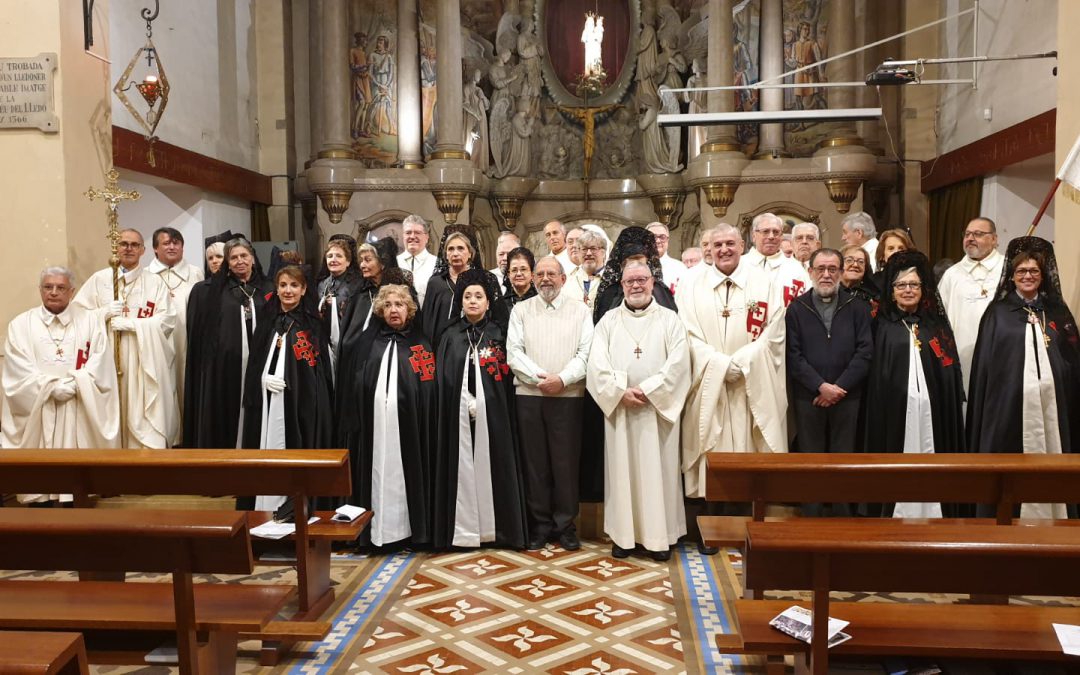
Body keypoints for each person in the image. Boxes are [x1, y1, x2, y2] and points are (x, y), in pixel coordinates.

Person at [967, 237, 1080, 518]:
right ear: (1012, 277)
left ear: (1042, 276)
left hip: (1052, 407)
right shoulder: (998, 314)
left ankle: (1057, 511)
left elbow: (1072, 359)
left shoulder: (1057, 312)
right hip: (1009, 410)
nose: (1027, 277)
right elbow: (987, 369)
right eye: (1021, 272)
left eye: (1033, 272)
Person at [587, 261, 691, 560]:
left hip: (657, 413)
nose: (636, 285)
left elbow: (680, 364)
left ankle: (660, 538)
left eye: (641, 280)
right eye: (630, 280)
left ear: (652, 282)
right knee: (623, 474)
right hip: (621, 412)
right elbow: (597, 364)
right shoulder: (608, 321)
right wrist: (620, 392)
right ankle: (624, 538)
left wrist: (649, 391)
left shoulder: (670, 320)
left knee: (659, 474)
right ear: (621, 285)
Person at [678, 224, 788, 501]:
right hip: (707, 382)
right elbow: (685, 334)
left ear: (742, 245)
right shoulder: (690, 283)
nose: (724, 250)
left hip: (749, 381)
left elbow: (774, 332)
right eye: (717, 245)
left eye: (730, 243)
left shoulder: (764, 282)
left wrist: (743, 361)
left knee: (747, 445)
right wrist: (718, 364)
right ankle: (710, 514)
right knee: (710, 445)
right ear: (709, 249)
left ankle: (746, 514)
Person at [2, 267, 119, 505]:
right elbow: (17, 368)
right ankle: (39, 502)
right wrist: (49, 387)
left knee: (76, 482)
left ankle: (75, 502)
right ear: (40, 290)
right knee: (39, 479)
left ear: (72, 291)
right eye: (48, 287)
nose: (54, 292)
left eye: (61, 288)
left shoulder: (89, 321)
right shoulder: (21, 324)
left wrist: (78, 383)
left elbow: (100, 360)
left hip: (78, 403)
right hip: (40, 406)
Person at [863, 251, 965, 518]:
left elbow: (949, 373)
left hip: (933, 416)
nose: (907, 290)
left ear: (924, 289)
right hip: (893, 414)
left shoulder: (936, 327)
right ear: (891, 290)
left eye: (914, 285)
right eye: (901, 285)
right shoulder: (881, 327)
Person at [433, 269, 528, 549]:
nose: (473, 301)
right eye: (467, 296)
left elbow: (508, 375)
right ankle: (462, 531)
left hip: (496, 416)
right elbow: (444, 377)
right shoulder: (449, 335)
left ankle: (496, 530)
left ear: (489, 301)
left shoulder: (500, 332)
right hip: (457, 415)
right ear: (460, 301)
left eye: (479, 296)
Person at [507, 256, 593, 551]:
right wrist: (541, 378)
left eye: (551, 274)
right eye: (540, 274)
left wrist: (563, 379)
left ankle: (565, 526)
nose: (545, 279)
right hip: (529, 397)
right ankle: (540, 525)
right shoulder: (520, 310)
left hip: (568, 397)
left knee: (565, 464)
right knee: (535, 465)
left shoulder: (580, 311)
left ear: (563, 278)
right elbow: (514, 352)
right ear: (532, 279)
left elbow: (586, 353)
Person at [786, 249, 873, 514]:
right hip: (808, 396)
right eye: (820, 269)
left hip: (847, 396)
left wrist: (839, 388)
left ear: (841, 272)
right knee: (811, 461)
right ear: (810, 271)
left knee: (842, 459)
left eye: (832, 269)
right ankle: (811, 514)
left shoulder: (857, 306)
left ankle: (842, 515)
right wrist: (820, 386)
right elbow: (793, 355)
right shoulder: (797, 308)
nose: (826, 275)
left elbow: (865, 352)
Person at [74, 228, 178, 448]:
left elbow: (168, 319)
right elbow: (77, 318)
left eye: (134, 245)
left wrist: (133, 325)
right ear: (115, 248)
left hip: (142, 359)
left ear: (143, 250)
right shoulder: (99, 280)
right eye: (123, 244)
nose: (128, 248)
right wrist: (103, 313)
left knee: (140, 411)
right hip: (107, 358)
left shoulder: (155, 282)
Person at [242, 265, 333, 511]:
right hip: (267, 404)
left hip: (301, 409)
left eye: (294, 285)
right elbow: (255, 365)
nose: (288, 291)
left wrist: (300, 392)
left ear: (304, 290)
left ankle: (297, 509)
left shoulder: (312, 326)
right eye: (283, 285)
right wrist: (262, 380)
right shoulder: (268, 322)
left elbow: (317, 374)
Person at [355, 283, 437, 548]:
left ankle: (408, 531)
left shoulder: (420, 345)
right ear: (380, 309)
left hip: (408, 427)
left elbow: (427, 392)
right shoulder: (369, 342)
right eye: (388, 305)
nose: (393, 310)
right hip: (375, 427)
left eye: (399, 305)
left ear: (409, 310)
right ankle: (376, 531)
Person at [184, 237, 272, 449]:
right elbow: (201, 338)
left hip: (260, 367)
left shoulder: (268, 288)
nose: (239, 261)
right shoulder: (209, 291)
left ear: (252, 258)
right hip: (224, 370)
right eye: (233, 257)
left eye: (244, 256)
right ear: (228, 263)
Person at [938, 217, 1004, 394]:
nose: (970, 238)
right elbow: (938, 317)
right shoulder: (952, 275)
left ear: (994, 239)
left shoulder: (1009, 270)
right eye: (967, 234)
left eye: (978, 234)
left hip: (1002, 352)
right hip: (961, 354)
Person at [147, 227, 204, 429]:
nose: (172, 247)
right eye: (166, 243)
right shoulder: (146, 277)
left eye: (176, 242)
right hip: (156, 343)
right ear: (155, 248)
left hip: (187, 341)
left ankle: (187, 434)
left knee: (186, 385)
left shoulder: (195, 273)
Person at [421, 228, 499, 347]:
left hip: (479, 344)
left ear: (470, 253)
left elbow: (497, 317)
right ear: (446, 254)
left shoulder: (484, 280)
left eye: (461, 248)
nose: (455, 253)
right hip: (442, 346)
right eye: (451, 249)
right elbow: (427, 322)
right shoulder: (435, 283)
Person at [592, 227, 676, 324]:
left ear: (648, 260)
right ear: (622, 263)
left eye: (638, 258)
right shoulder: (609, 293)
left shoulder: (660, 292)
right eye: (630, 259)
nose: (634, 264)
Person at [316, 237, 364, 382]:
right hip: (327, 340)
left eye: (339, 256)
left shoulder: (357, 284)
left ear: (348, 261)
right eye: (330, 256)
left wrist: (336, 304)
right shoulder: (322, 285)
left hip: (349, 341)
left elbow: (358, 314)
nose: (333, 259)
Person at [743, 213, 811, 307]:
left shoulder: (797, 270)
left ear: (781, 236)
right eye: (765, 231)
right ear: (754, 236)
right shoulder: (739, 265)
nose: (771, 236)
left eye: (776, 232)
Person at [493, 246, 537, 331]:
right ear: (509, 275)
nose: (519, 274)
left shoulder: (540, 301)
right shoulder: (500, 304)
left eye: (523, 269)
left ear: (532, 274)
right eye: (514, 270)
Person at [397, 214, 436, 306]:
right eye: (408, 232)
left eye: (417, 233)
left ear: (427, 237)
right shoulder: (394, 263)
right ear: (403, 236)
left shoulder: (437, 264)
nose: (412, 236)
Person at [566, 230, 607, 307]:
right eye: (584, 249)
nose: (588, 253)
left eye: (593, 249)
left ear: (603, 252)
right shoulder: (568, 280)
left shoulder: (612, 280)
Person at [647, 222, 687, 294]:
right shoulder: (636, 266)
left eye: (662, 237)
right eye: (653, 237)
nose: (658, 241)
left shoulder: (680, 268)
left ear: (668, 240)